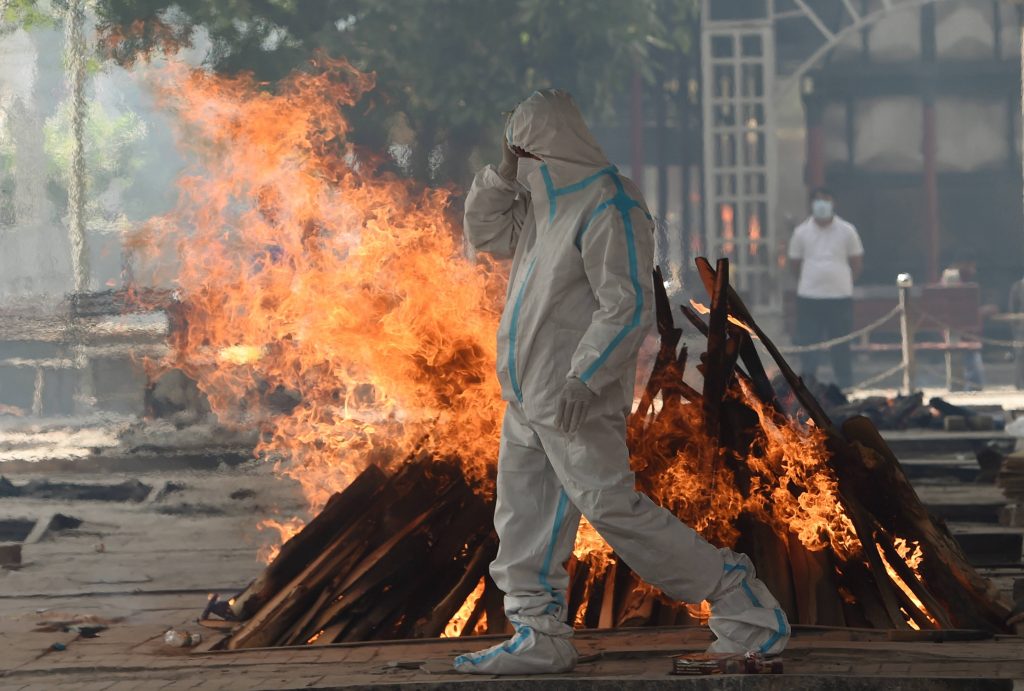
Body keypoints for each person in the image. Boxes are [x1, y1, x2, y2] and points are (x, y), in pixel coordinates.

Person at [455, 89, 789, 675]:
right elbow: (485, 234)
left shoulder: (608, 202)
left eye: (527, 149)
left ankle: (742, 599)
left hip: (573, 396)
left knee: (613, 509)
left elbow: (626, 305)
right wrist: (502, 171)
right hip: (528, 395)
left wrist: (584, 379)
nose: (525, 161)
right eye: (518, 151)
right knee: (523, 515)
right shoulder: (542, 205)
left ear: (552, 143)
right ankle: (539, 634)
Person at [787, 187, 863, 389]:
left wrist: (844, 280)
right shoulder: (801, 232)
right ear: (812, 204)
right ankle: (808, 387)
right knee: (809, 344)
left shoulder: (847, 231)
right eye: (818, 200)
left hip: (839, 296)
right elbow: (795, 264)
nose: (822, 204)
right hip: (809, 296)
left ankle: (845, 385)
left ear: (833, 202)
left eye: (826, 199)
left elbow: (856, 262)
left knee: (841, 344)